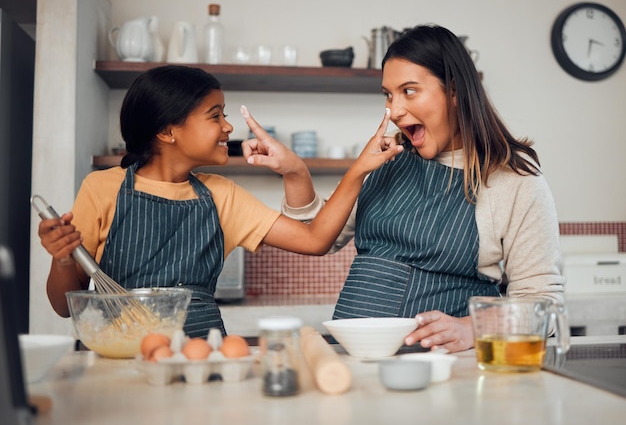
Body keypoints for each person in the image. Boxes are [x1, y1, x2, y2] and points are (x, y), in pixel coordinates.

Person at [242, 24, 565, 353]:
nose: (394, 111)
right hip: (355, 364)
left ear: (454, 91)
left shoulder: (512, 178)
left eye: (409, 91)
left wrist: (474, 327)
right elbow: (317, 234)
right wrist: (294, 171)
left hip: (442, 373)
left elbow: (545, 307)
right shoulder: (390, 158)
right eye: (388, 94)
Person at [36, 65, 403, 338]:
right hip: (115, 362)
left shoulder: (221, 195)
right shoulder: (102, 188)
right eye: (216, 116)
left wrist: (343, 171)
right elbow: (64, 306)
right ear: (167, 131)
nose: (228, 127)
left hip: (203, 362)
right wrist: (63, 256)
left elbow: (316, 239)